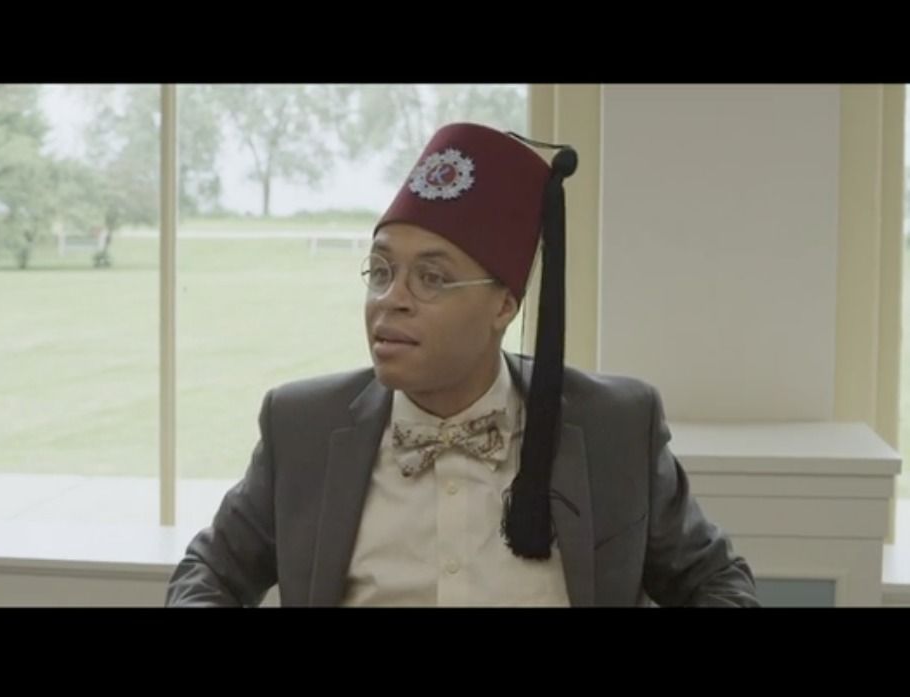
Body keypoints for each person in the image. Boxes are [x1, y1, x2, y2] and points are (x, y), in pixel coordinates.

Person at [166, 122, 758, 607]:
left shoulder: (613, 427)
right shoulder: (304, 428)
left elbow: (717, 584)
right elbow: (208, 574)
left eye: (431, 278)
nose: (391, 299)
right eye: (380, 271)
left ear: (504, 305)